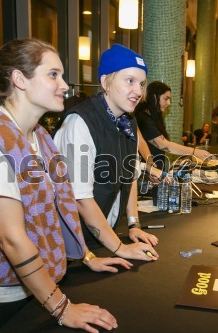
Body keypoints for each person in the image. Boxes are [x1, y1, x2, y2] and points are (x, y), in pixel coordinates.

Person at [0, 39, 126, 332]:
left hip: (34, 290)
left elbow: (54, 208)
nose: (64, 85)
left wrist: (86, 254)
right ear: (19, 79)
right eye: (53, 74)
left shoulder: (39, 135)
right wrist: (62, 308)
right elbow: (12, 240)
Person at [54, 44, 159, 259]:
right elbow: (81, 199)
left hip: (105, 238)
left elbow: (130, 176)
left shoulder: (128, 120)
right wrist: (121, 249)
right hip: (74, 246)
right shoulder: (79, 122)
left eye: (141, 84)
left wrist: (133, 224)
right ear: (105, 82)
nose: (138, 91)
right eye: (129, 81)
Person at [135, 81, 210, 170]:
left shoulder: (152, 116)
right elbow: (164, 145)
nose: (169, 103)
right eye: (166, 99)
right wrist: (194, 151)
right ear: (154, 97)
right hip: (146, 174)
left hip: (154, 171)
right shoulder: (143, 118)